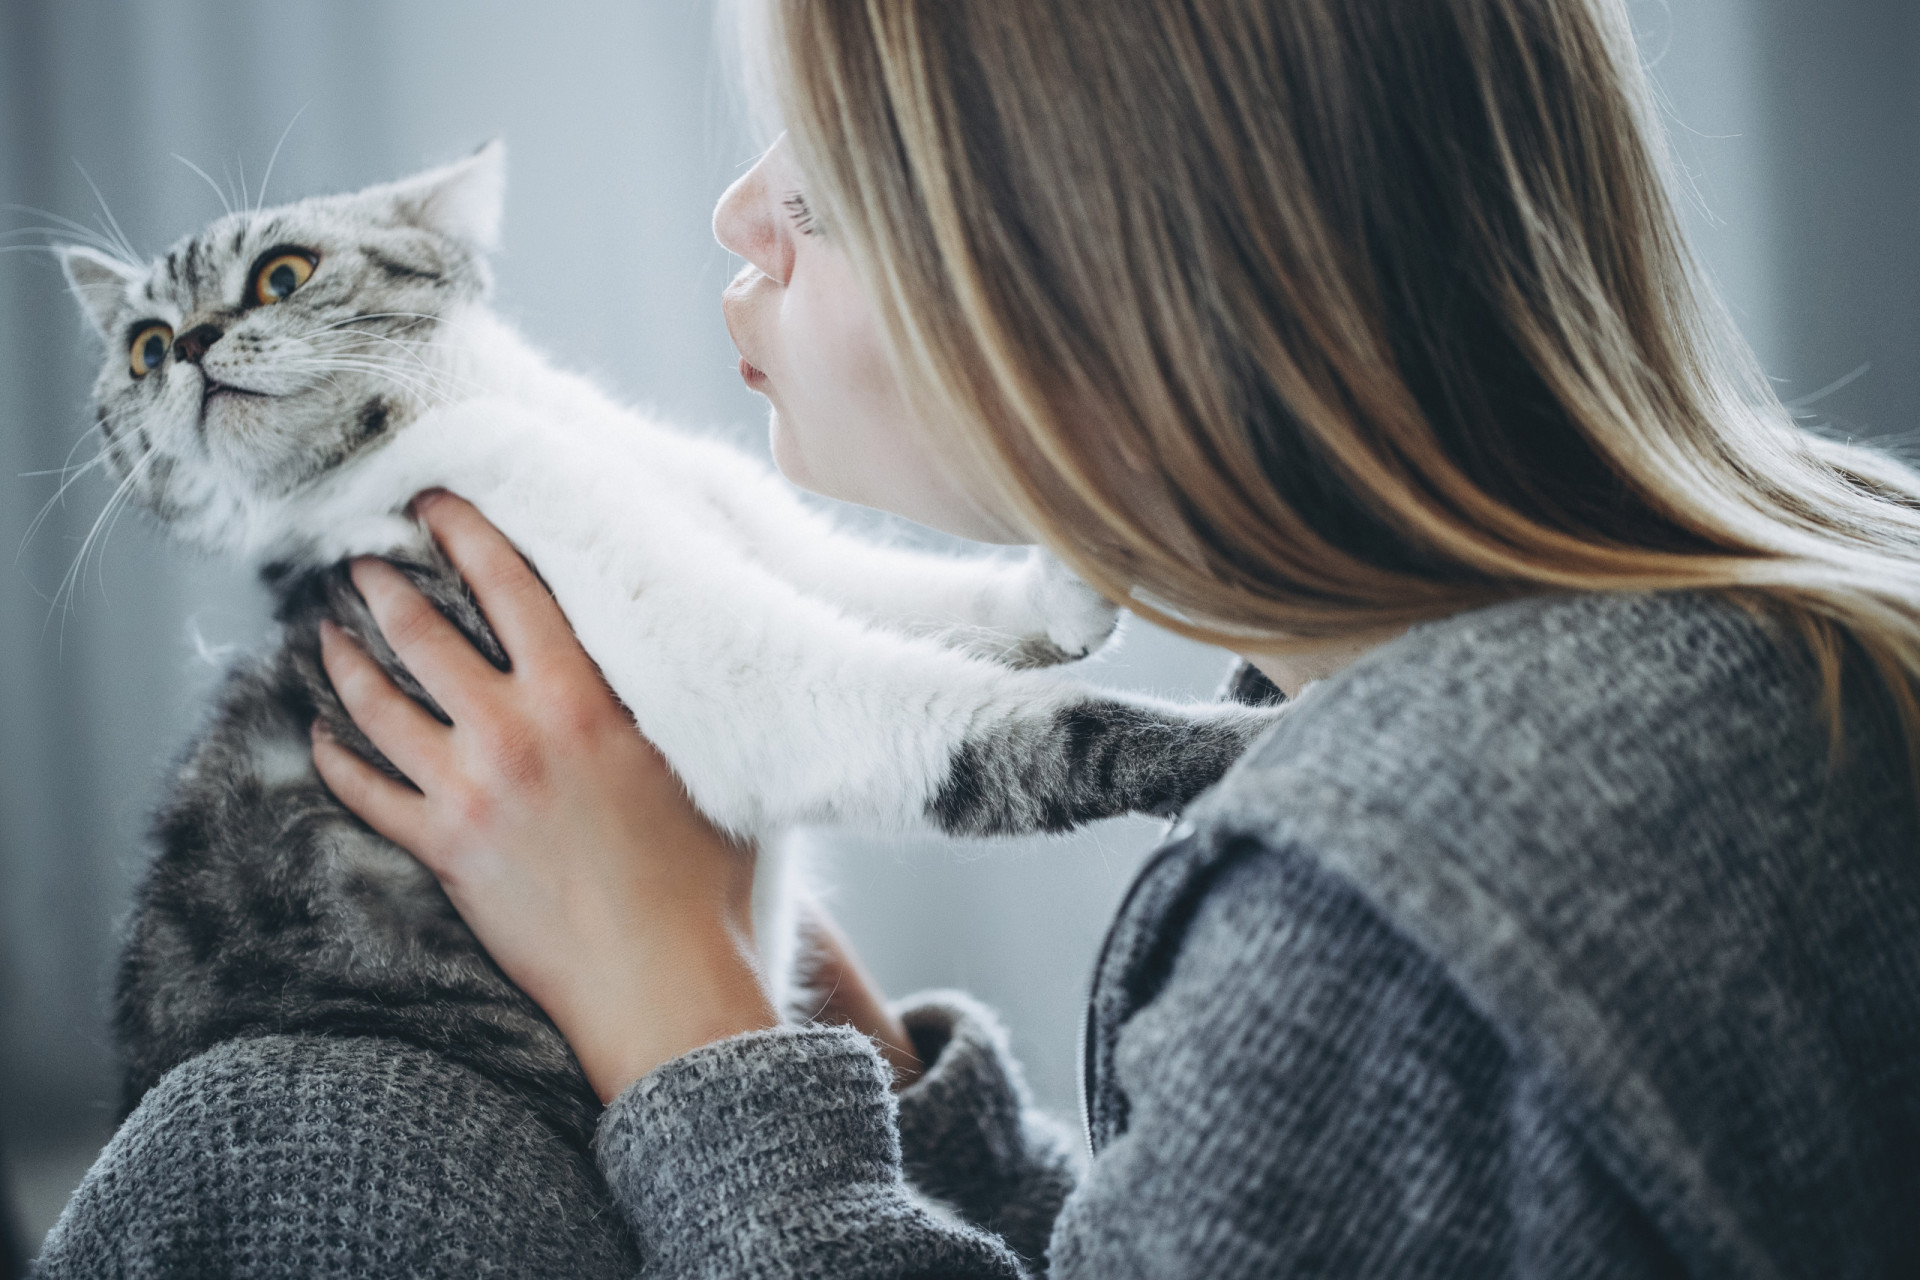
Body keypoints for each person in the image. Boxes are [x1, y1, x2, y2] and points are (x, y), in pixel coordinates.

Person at [36, 0, 1920, 1275]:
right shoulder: (1762, 646)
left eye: (822, 182)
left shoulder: (1391, 904)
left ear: (1112, 262)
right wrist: (907, 1112)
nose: (735, 217)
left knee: (269, 1134)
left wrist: (684, 1030)